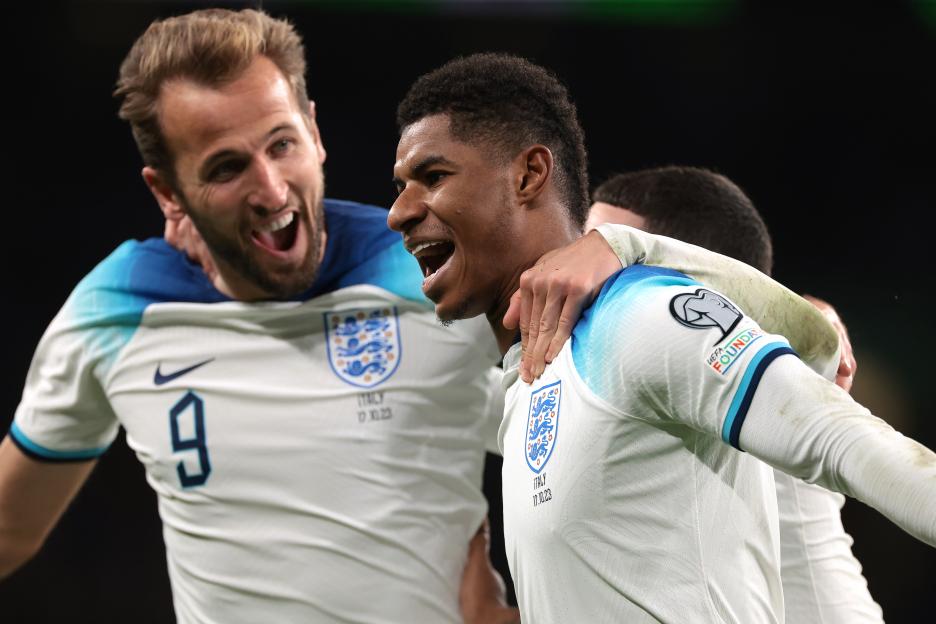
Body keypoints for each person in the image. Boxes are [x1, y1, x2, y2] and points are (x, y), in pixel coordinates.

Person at [0, 9, 519, 623]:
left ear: (315, 133)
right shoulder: (118, 307)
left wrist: (622, 250)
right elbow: (10, 529)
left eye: (282, 144)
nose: (271, 190)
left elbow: (617, 406)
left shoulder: (440, 266)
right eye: (226, 167)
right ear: (169, 193)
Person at [387, 52, 936, 622]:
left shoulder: (640, 318)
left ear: (529, 176)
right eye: (400, 185)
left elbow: (846, 442)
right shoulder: (532, 373)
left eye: (433, 176)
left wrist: (645, 257)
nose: (397, 212)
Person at [586, 165, 880, 622]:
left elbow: (805, 334)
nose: (574, 268)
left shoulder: (756, 358)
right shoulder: (618, 372)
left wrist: (812, 323)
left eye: (606, 252)